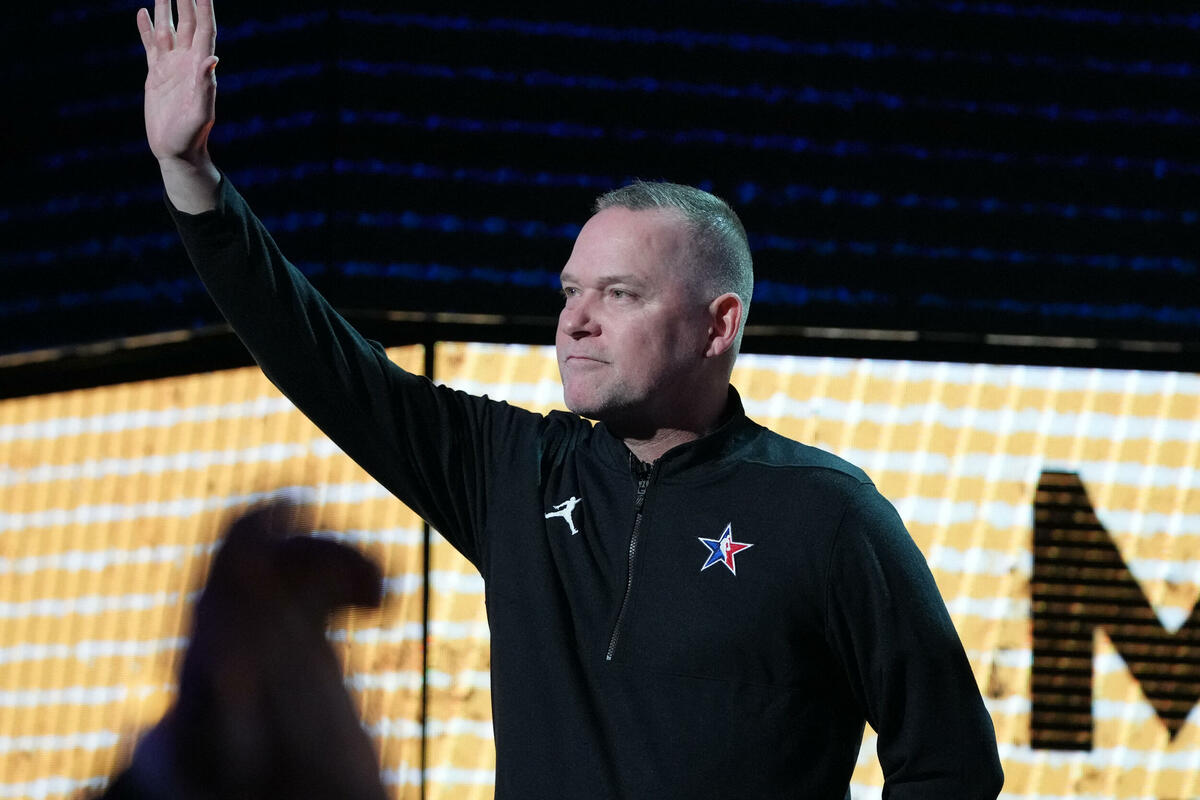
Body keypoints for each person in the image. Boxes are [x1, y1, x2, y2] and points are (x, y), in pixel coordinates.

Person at [136, 1, 1004, 797]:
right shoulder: (512, 472)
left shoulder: (826, 513)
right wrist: (191, 176)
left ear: (719, 325)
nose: (575, 321)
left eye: (619, 294)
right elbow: (323, 362)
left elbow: (952, 765)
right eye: (569, 292)